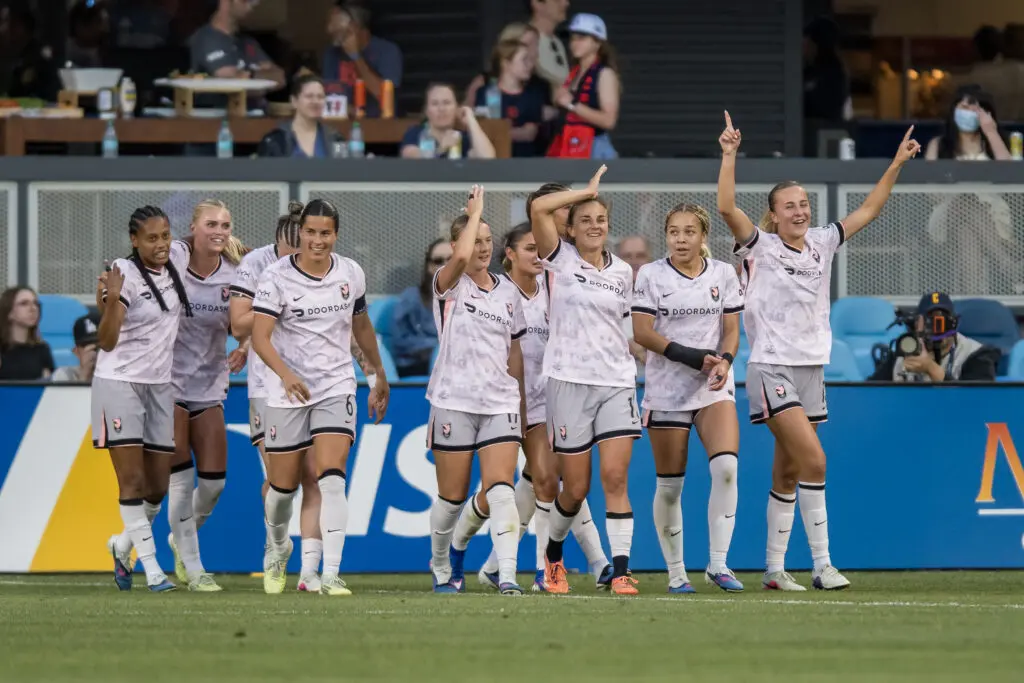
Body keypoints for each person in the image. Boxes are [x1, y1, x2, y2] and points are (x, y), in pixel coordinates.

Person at [717, 111, 920, 591]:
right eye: (789, 206)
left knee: (788, 470)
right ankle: (823, 565)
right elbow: (726, 206)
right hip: (772, 366)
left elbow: (868, 210)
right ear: (774, 214)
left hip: (813, 368)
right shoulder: (760, 246)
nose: (800, 211)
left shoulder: (824, 243)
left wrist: (895, 164)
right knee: (815, 461)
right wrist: (729, 154)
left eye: (804, 203)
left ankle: (772, 570)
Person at [458, 222, 611, 593]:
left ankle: (496, 565)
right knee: (544, 479)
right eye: (529, 249)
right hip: (509, 398)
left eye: (539, 249)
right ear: (508, 253)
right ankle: (556, 568)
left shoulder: (552, 289)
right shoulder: (497, 292)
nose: (538, 255)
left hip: (555, 397)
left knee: (543, 481)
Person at [252, 198, 390, 597]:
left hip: (334, 386)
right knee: (281, 491)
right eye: (310, 232)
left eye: (325, 233)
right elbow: (260, 338)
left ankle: (329, 573)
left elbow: (361, 328)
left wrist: (376, 373)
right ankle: (278, 547)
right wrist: (286, 374)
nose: (317, 240)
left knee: (330, 477)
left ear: (336, 234)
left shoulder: (350, 273)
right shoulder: (276, 277)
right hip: (287, 391)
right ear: (300, 234)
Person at [531, 166, 641, 595]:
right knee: (575, 488)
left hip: (616, 381)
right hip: (568, 381)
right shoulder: (558, 259)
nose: (595, 226)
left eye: (601, 219)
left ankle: (620, 571)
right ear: (571, 229)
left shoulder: (622, 273)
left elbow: (624, 328)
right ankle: (553, 557)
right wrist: (587, 191)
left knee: (615, 478)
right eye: (586, 219)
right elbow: (539, 207)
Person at [631, 203, 744, 593]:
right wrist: (694, 357)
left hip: (712, 386)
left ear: (703, 236)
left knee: (726, 468)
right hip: (667, 388)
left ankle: (718, 564)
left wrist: (725, 362)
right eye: (674, 232)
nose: (681, 239)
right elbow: (643, 332)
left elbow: (731, 330)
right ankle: (676, 572)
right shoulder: (651, 274)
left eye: (689, 232)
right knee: (670, 486)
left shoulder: (724, 273)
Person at [425, 187, 527, 595]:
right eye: (474, 239)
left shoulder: (508, 291)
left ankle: (506, 575)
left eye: (488, 240)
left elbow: (514, 352)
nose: (481, 248)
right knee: (451, 497)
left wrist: (518, 400)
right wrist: (476, 213)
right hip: (453, 399)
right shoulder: (448, 284)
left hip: (499, 401)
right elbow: (463, 260)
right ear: (457, 244)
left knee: (501, 489)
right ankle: (439, 562)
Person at [230, 202, 327, 593]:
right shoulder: (255, 265)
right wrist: (279, 301)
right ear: (278, 246)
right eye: (290, 257)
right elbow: (238, 324)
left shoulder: (329, 265)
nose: (297, 264)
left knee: (316, 477)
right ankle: (277, 546)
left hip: (318, 384)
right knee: (278, 481)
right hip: (268, 386)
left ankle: (311, 571)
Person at [95, 205, 191, 592]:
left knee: (157, 488)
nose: (161, 244)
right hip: (119, 383)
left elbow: (218, 246)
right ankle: (152, 569)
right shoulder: (124, 274)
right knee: (132, 481)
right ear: (134, 241)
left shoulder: (179, 257)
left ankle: (121, 545)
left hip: (159, 385)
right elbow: (106, 341)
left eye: (165, 235)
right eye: (151, 238)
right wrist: (111, 300)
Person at [164, 200, 246, 593]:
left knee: (213, 485)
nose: (219, 230)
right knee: (179, 484)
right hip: (168, 383)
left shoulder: (235, 272)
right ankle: (195, 567)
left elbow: (248, 321)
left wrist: (244, 346)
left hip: (210, 383)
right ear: (194, 228)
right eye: (211, 223)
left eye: (225, 225)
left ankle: (136, 542)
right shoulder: (175, 258)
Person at [869, 292, 1000, 382]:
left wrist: (931, 368)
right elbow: (869, 393)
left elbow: (979, 402)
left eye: (943, 322)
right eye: (930, 322)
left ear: (954, 323)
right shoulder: (905, 349)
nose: (937, 329)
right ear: (917, 324)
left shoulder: (975, 354)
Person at [547, 13, 620, 160]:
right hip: (569, 144)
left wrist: (572, 104)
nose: (574, 43)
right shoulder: (574, 73)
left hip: (594, 148)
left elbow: (609, 120)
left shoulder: (604, 74)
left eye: (582, 38)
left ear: (597, 42)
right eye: (573, 38)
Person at [322, 0, 402, 119]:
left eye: (335, 27)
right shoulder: (331, 54)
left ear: (354, 27)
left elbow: (384, 96)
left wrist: (356, 57)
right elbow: (329, 94)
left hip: (380, 130)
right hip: (339, 129)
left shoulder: (387, 51)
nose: (328, 30)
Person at [473, 40, 548, 157]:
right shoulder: (488, 93)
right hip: (495, 162)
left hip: (526, 162)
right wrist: (515, 131)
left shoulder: (533, 94)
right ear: (506, 63)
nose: (530, 65)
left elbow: (529, 134)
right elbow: (485, 132)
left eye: (529, 60)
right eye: (524, 60)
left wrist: (500, 131)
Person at [188, 0, 285, 88]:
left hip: (255, 107)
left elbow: (280, 78)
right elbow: (233, 83)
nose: (252, 4)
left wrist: (250, 75)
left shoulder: (248, 42)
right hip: (222, 107)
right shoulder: (207, 38)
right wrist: (261, 76)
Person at [391, 238, 451, 378]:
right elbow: (399, 341)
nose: (445, 265)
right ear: (429, 267)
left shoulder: (472, 298)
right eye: (438, 261)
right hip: (420, 368)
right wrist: (435, 347)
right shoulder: (411, 298)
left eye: (451, 259)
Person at [258, 74, 346, 158]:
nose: (315, 101)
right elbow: (265, 172)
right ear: (294, 101)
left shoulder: (336, 139)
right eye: (309, 96)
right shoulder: (275, 140)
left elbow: (344, 169)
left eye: (320, 97)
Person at [400, 83, 496, 159]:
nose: (441, 109)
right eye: (435, 103)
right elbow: (410, 156)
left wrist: (471, 120)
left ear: (456, 108)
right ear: (427, 111)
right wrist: (441, 149)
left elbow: (487, 158)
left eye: (447, 103)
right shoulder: (415, 133)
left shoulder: (463, 138)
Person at [925, 86, 1010, 161]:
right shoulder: (938, 145)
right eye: (964, 107)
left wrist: (991, 132)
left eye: (974, 109)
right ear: (954, 111)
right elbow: (929, 176)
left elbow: (1009, 173)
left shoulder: (1000, 142)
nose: (969, 113)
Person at [0, 286, 54, 381]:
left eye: (35, 303)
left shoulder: (42, 349)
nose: (33, 308)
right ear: (9, 312)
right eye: (24, 304)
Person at [803, 17, 850, 122]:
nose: (803, 45)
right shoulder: (808, 71)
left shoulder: (833, 74)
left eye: (807, 40)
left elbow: (825, 109)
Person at [527, 0, 570, 92]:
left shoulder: (558, 43)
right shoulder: (525, 40)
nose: (566, 3)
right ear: (537, 4)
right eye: (557, 1)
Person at [51, 312, 100, 383]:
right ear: (76, 351)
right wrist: (84, 376)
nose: (94, 351)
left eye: (98, 345)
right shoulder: (65, 375)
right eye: (86, 345)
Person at [66, 0, 109, 68]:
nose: (104, 29)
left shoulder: (106, 54)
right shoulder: (64, 53)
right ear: (79, 26)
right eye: (98, 22)